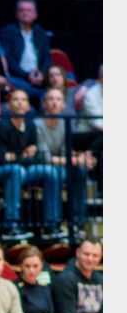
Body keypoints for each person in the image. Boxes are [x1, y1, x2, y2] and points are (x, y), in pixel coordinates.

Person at [0, 89, 63, 238]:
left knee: (50, 172)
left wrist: (15, 156)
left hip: (24, 170)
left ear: (28, 106)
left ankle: (52, 224)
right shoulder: (1, 126)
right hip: (0, 172)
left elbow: (36, 157)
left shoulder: (30, 126)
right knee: (16, 170)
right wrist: (22, 156)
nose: (20, 103)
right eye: (16, 100)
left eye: (23, 100)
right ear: (8, 105)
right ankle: (12, 224)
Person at [35, 86, 95, 234]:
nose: (54, 102)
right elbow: (45, 158)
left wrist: (80, 158)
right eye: (50, 99)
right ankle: (52, 223)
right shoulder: (37, 124)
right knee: (55, 173)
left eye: (58, 99)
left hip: (58, 165)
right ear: (44, 103)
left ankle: (78, 221)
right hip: (38, 166)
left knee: (79, 171)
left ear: (64, 104)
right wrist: (74, 160)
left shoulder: (64, 123)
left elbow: (64, 152)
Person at [0, 0, 49, 104]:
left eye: (29, 10)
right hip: (18, 78)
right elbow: (9, 60)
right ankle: (41, 96)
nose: (25, 13)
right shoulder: (7, 32)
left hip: (39, 78)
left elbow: (46, 57)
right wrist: (27, 76)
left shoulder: (41, 33)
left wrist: (42, 74)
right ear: (16, 14)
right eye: (21, 10)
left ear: (35, 14)